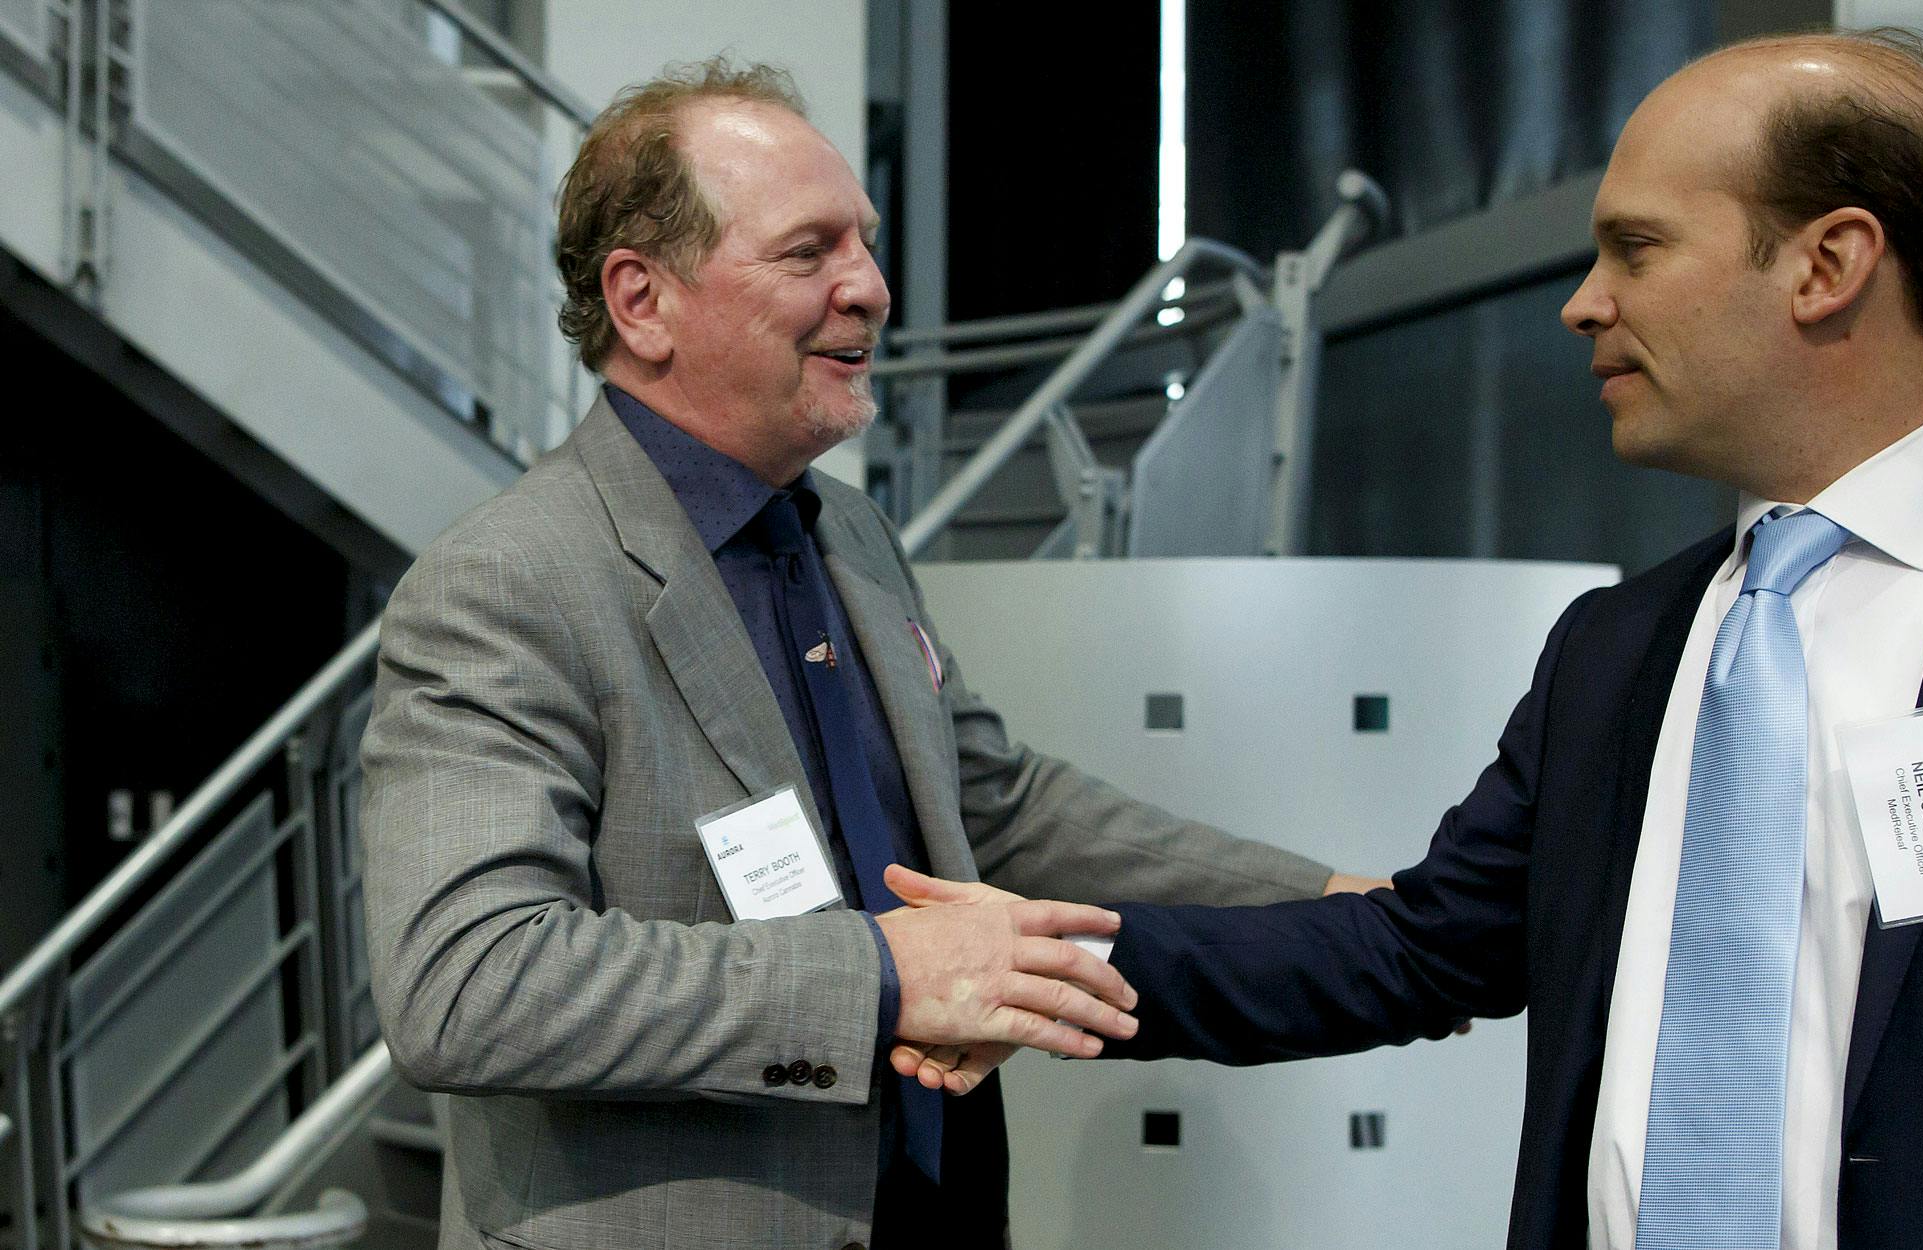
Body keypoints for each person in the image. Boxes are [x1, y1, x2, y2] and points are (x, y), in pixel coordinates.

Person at [894, 27, 1923, 1250]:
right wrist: (1029, 962)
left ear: (1830, 263)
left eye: (1637, 248)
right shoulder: (1617, 650)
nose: (1585, 303)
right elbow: (1415, 944)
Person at [358, 59, 1380, 1250]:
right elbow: (467, 985)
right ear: (641, 301)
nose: (872, 288)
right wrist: (883, 975)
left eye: (867, 243)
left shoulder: (846, 528)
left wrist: (1330, 905)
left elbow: (993, 802)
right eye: (810, 252)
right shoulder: (507, 581)